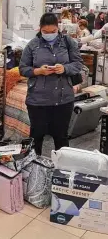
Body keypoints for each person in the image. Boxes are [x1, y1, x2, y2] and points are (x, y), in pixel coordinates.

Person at [19, 13, 83, 156]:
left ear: (58, 28)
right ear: (40, 29)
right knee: (36, 136)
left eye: (53, 32)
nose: (49, 34)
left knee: (61, 137)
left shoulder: (68, 42)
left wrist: (65, 69)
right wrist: (38, 71)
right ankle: (34, 170)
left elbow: (78, 64)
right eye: (45, 32)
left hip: (63, 99)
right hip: (38, 100)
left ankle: (62, 173)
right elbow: (23, 69)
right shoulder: (32, 45)